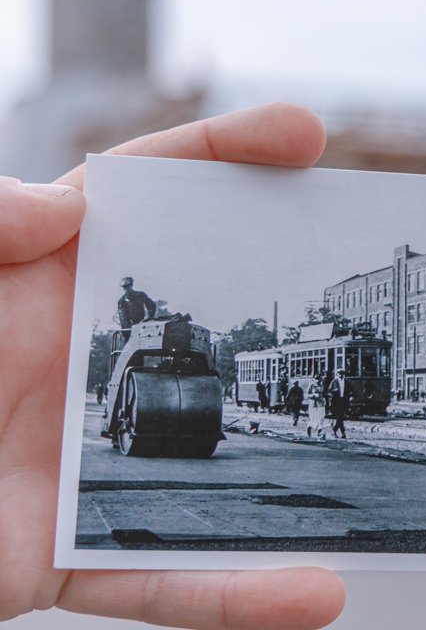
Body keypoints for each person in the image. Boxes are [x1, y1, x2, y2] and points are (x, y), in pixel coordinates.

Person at [0, 103, 344, 628]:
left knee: (123, 368)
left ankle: (123, 418)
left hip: (135, 352)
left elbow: (137, 323)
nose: (125, 293)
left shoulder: (132, 311)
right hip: (141, 351)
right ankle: (126, 416)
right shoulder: (142, 310)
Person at [328, 368, 349, 439]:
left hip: (343, 401)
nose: (341, 375)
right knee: (340, 418)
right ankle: (342, 433)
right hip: (336, 401)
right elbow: (329, 390)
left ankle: (335, 431)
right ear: (337, 374)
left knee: (340, 418)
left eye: (342, 374)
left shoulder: (346, 382)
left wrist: (350, 396)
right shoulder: (334, 382)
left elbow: (350, 390)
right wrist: (334, 390)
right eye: (339, 374)